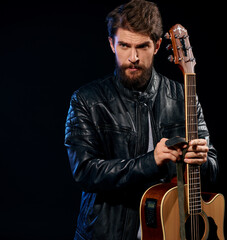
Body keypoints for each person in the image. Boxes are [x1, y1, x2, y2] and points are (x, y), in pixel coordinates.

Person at [64, 0, 218, 239]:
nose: (133, 57)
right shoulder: (86, 100)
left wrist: (202, 160)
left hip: (170, 232)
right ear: (111, 45)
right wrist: (150, 161)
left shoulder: (183, 96)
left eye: (142, 47)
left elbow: (212, 168)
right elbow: (85, 172)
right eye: (124, 45)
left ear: (157, 46)